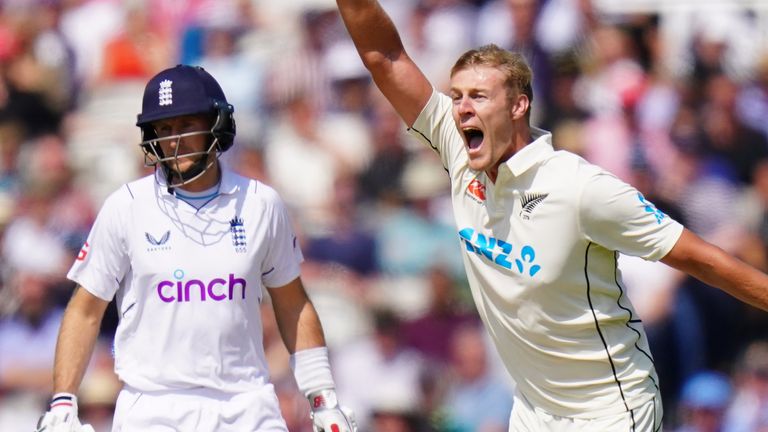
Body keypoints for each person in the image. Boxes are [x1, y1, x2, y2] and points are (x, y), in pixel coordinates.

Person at [334, 1, 768, 430]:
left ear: (519, 106)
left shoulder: (579, 188)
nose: (462, 108)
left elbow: (702, 258)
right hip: (534, 412)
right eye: (456, 96)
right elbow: (384, 57)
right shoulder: (458, 149)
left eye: (478, 96)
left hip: (611, 410)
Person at [35, 65, 356, 432]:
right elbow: (85, 310)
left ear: (217, 125)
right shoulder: (125, 206)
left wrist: (322, 397)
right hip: (153, 407)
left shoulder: (260, 204)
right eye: (164, 129)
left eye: (187, 125)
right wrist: (63, 402)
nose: (174, 141)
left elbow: (292, 302)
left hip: (248, 404)